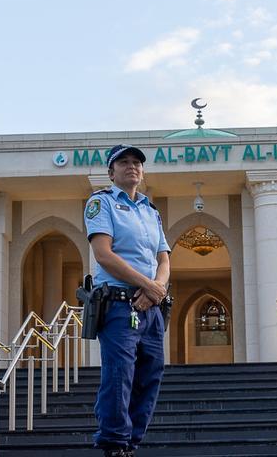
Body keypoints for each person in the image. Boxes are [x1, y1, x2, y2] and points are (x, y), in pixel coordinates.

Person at [84, 144, 171, 457]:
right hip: (119, 304)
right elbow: (104, 255)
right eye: (123, 162)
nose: (132, 166)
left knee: (150, 374)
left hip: (151, 307)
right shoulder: (101, 203)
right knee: (120, 374)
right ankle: (114, 442)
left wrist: (156, 289)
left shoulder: (151, 211)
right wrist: (149, 286)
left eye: (137, 162)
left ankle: (132, 441)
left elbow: (163, 258)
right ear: (111, 172)